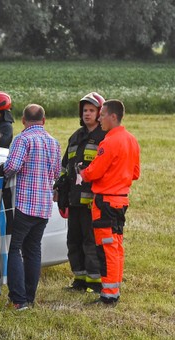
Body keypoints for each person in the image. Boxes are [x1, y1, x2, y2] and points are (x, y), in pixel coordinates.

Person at [79, 99, 141, 306]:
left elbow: (94, 171)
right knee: (116, 247)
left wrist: (83, 172)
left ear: (113, 117)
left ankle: (109, 294)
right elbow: (135, 173)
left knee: (106, 249)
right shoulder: (131, 139)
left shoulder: (109, 141)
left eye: (102, 114)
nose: (99, 118)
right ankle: (113, 289)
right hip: (121, 201)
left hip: (105, 202)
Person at [2, 104, 61, 310]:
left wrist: (3, 171)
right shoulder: (54, 142)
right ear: (43, 120)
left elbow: (12, 167)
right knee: (33, 251)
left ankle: (18, 299)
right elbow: (56, 173)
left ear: (23, 120)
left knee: (14, 248)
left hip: (24, 204)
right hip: (44, 205)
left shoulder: (22, 139)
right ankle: (30, 296)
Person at [56, 92, 107, 292]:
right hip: (74, 199)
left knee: (91, 241)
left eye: (91, 110)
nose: (87, 114)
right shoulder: (75, 136)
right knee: (73, 241)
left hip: (93, 201)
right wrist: (61, 188)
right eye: (85, 110)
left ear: (99, 113)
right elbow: (65, 166)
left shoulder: (104, 137)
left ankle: (95, 282)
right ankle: (79, 280)